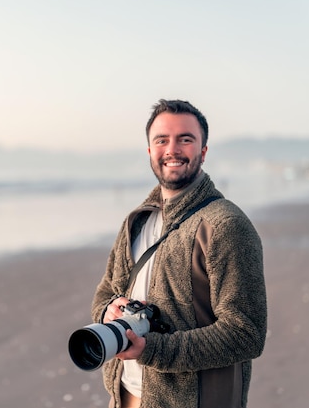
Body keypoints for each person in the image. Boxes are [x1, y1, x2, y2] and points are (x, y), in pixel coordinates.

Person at [91, 99, 267, 408]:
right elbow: (106, 292)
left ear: (203, 151)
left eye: (185, 139)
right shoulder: (137, 221)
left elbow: (246, 333)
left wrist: (152, 349)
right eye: (162, 140)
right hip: (126, 398)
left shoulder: (226, 225)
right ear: (150, 151)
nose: (172, 149)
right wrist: (108, 311)